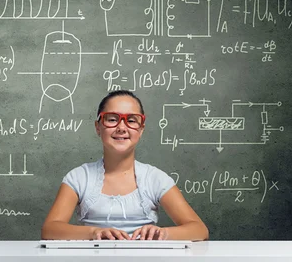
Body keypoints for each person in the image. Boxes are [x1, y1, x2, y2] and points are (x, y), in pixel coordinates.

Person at [41, 90, 209, 241]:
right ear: (98, 127)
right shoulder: (79, 177)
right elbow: (50, 229)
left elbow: (199, 229)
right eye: (112, 119)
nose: (121, 127)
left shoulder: (154, 178)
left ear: (141, 129)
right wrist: (94, 233)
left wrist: (163, 233)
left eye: (131, 120)